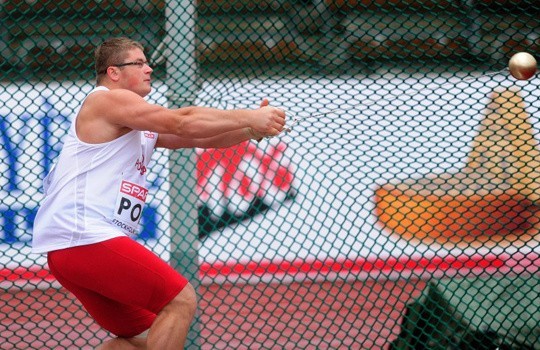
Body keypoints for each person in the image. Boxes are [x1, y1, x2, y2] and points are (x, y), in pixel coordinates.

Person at [31, 36, 286, 350]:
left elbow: (197, 136)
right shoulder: (106, 100)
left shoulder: (135, 120)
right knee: (181, 301)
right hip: (83, 236)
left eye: (147, 62)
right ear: (113, 73)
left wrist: (251, 131)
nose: (149, 68)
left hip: (73, 246)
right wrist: (249, 116)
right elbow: (182, 121)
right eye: (138, 63)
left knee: (142, 340)